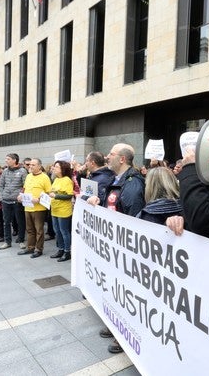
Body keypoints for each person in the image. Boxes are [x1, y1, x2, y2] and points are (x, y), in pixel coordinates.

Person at [87, 143, 145, 354]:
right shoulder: (115, 179)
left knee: (126, 291)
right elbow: (110, 203)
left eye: (111, 154)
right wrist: (97, 200)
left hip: (124, 250)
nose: (107, 157)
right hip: (112, 248)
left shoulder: (133, 184)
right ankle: (116, 325)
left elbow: (133, 220)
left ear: (122, 159)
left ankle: (126, 335)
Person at [17, 158, 52, 258]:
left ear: (39, 166)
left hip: (39, 208)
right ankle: (30, 247)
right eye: (30, 165)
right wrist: (20, 195)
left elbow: (49, 193)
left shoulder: (44, 177)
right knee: (29, 229)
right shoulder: (28, 176)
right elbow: (24, 188)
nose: (30, 166)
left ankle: (38, 249)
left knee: (39, 230)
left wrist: (39, 199)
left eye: (33, 165)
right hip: (28, 206)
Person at [0, 153, 28, 250]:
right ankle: (7, 241)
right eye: (6, 159)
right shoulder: (5, 171)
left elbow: (25, 186)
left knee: (20, 221)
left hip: (17, 201)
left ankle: (21, 240)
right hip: (6, 201)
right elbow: (1, 185)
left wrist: (21, 196)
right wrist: (1, 198)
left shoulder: (23, 171)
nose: (6, 160)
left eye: (8, 159)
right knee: (6, 222)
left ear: (14, 160)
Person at [48, 161, 74, 262]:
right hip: (55, 209)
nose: (54, 168)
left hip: (63, 210)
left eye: (57, 167)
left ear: (63, 169)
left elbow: (69, 195)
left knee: (64, 231)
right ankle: (61, 249)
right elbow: (52, 191)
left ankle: (67, 251)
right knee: (57, 231)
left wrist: (56, 195)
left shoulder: (67, 180)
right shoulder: (56, 179)